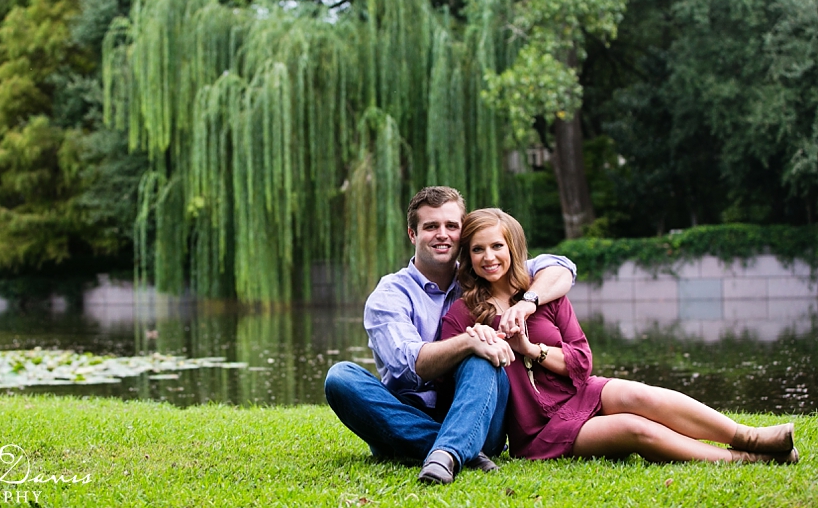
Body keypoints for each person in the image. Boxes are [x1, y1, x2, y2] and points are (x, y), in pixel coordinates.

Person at [439, 207, 799, 464]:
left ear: (513, 248)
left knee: (639, 394)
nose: (489, 257)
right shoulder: (461, 316)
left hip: (579, 392)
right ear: (468, 258)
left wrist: (530, 349)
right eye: (478, 249)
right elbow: (461, 385)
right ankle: (744, 458)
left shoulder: (543, 295)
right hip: (538, 430)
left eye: (497, 246)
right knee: (633, 428)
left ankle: (749, 435)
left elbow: (582, 362)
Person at [324, 186, 577, 484]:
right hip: (406, 411)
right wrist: (467, 341)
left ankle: (441, 449)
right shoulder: (390, 295)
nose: (442, 234)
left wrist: (526, 302)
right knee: (340, 377)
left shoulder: (485, 272)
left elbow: (561, 268)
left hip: (480, 412)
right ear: (412, 235)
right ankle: (459, 449)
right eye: (431, 226)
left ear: (462, 233)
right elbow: (412, 366)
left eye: (451, 226)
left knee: (482, 355)